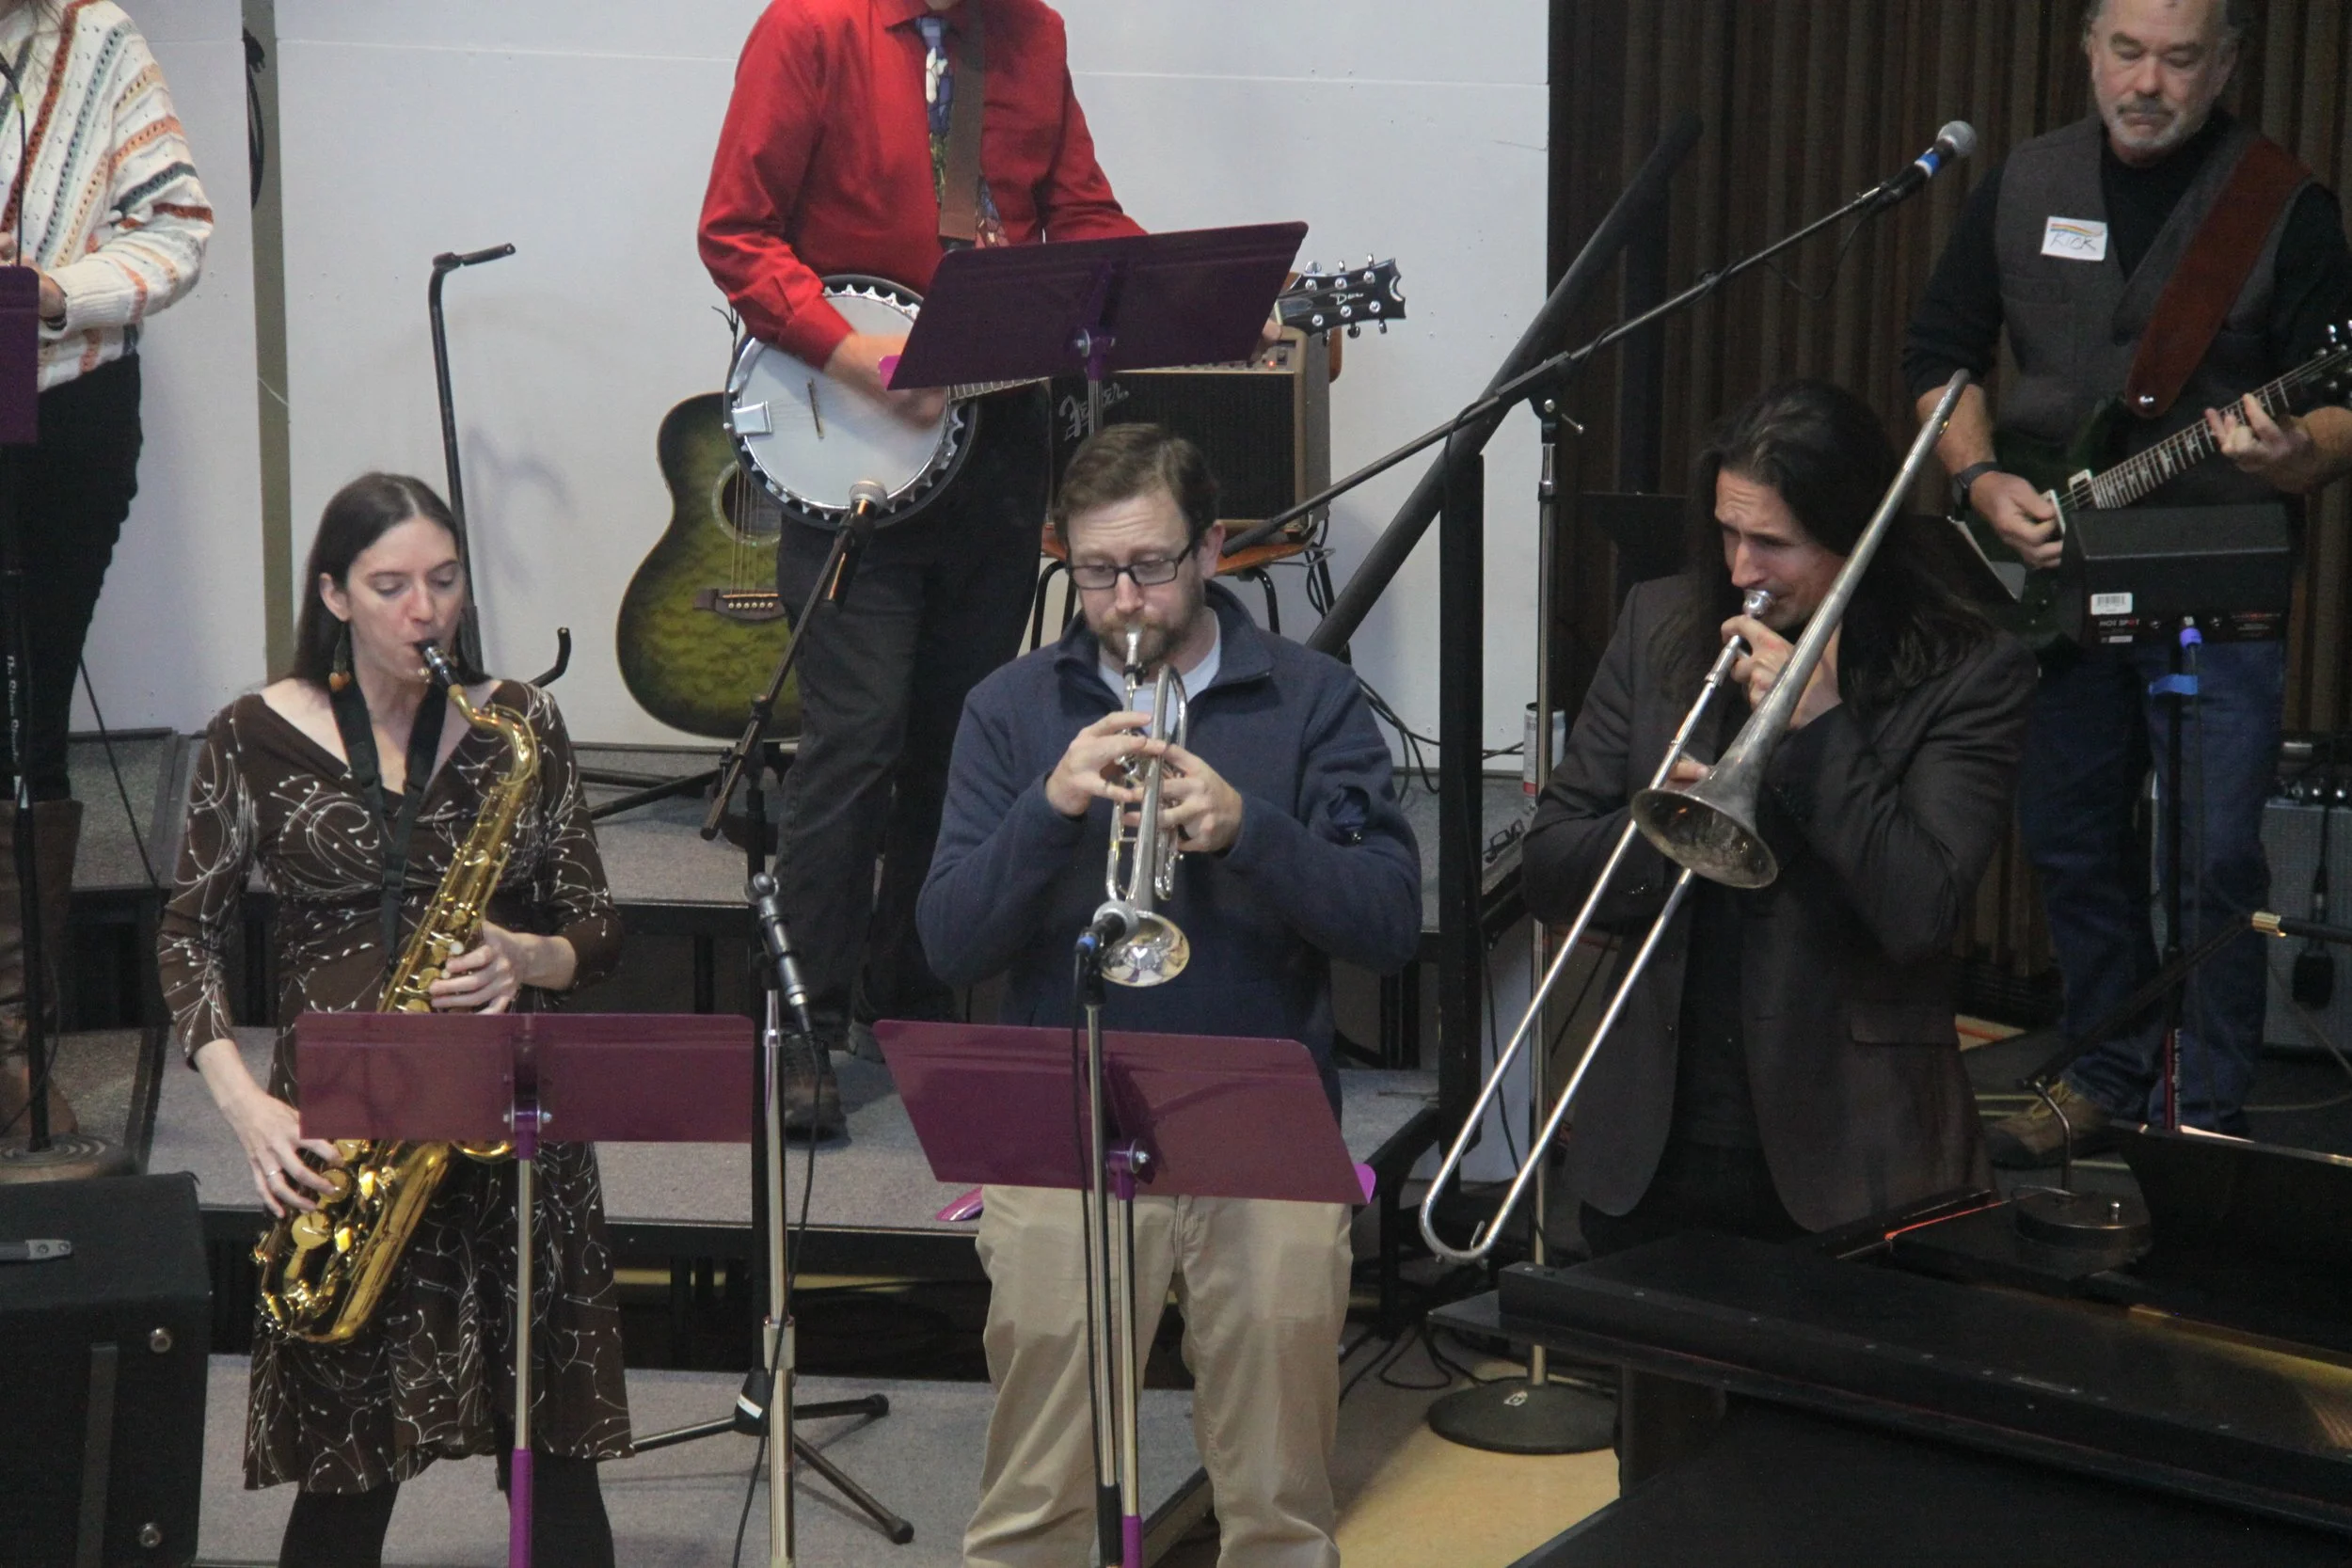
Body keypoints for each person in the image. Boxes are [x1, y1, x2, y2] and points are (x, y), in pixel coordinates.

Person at [918, 423, 1420, 1567]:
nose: (1124, 598)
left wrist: (1252, 829)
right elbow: (948, 937)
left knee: (1282, 1504)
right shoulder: (1008, 708)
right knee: (1036, 1499)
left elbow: (1387, 923)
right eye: (1095, 572)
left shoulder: (1314, 699)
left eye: (1149, 564)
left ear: (1213, 549)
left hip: (1260, 1125)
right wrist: (1046, 808)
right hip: (1065, 1122)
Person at [1903, 0, 2352, 1164]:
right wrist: (1978, 476)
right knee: (2067, 839)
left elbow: (2339, 414)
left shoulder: (2282, 205)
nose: (2148, 82)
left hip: (2215, 578)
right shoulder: (2021, 182)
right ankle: (2105, 1067)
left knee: (2207, 856)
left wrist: (2293, 453)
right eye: (2127, 51)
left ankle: (2202, 1107)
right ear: (2088, 49)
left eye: (2180, 58)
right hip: (2052, 568)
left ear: (2227, 67)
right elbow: (1939, 355)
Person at [157, 475, 628, 1566]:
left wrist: (527, 954)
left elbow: (596, 925)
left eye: (445, 580)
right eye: (391, 584)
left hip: (510, 1119)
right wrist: (250, 1111)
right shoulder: (249, 734)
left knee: (555, 1464)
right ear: (333, 594)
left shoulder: (517, 722)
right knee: (342, 1474)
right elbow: (186, 937)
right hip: (345, 1133)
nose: (426, 610)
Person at [699, 0, 1143, 1134]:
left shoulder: (1029, 33)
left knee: (959, 737)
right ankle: (803, 1021)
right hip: (857, 438)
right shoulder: (810, 30)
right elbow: (736, 234)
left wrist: (1183, 293)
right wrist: (859, 357)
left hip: (998, 442)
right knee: (855, 743)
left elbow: (1080, 213)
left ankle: (910, 994)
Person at [1523, 381, 2037, 1255]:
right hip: (1653, 1143)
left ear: (1857, 541)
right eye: (1728, 531)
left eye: (1773, 543)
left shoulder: (1968, 669)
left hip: (1853, 1157)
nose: (1739, 571)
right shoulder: (1659, 623)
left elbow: (1922, 911)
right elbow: (1550, 862)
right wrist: (1669, 826)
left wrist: (1822, 730)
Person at [0, 0, 210, 1138]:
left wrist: (57, 292)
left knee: (26, 711)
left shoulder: (99, 41)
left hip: (65, 405)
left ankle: (18, 1057)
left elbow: (179, 229)